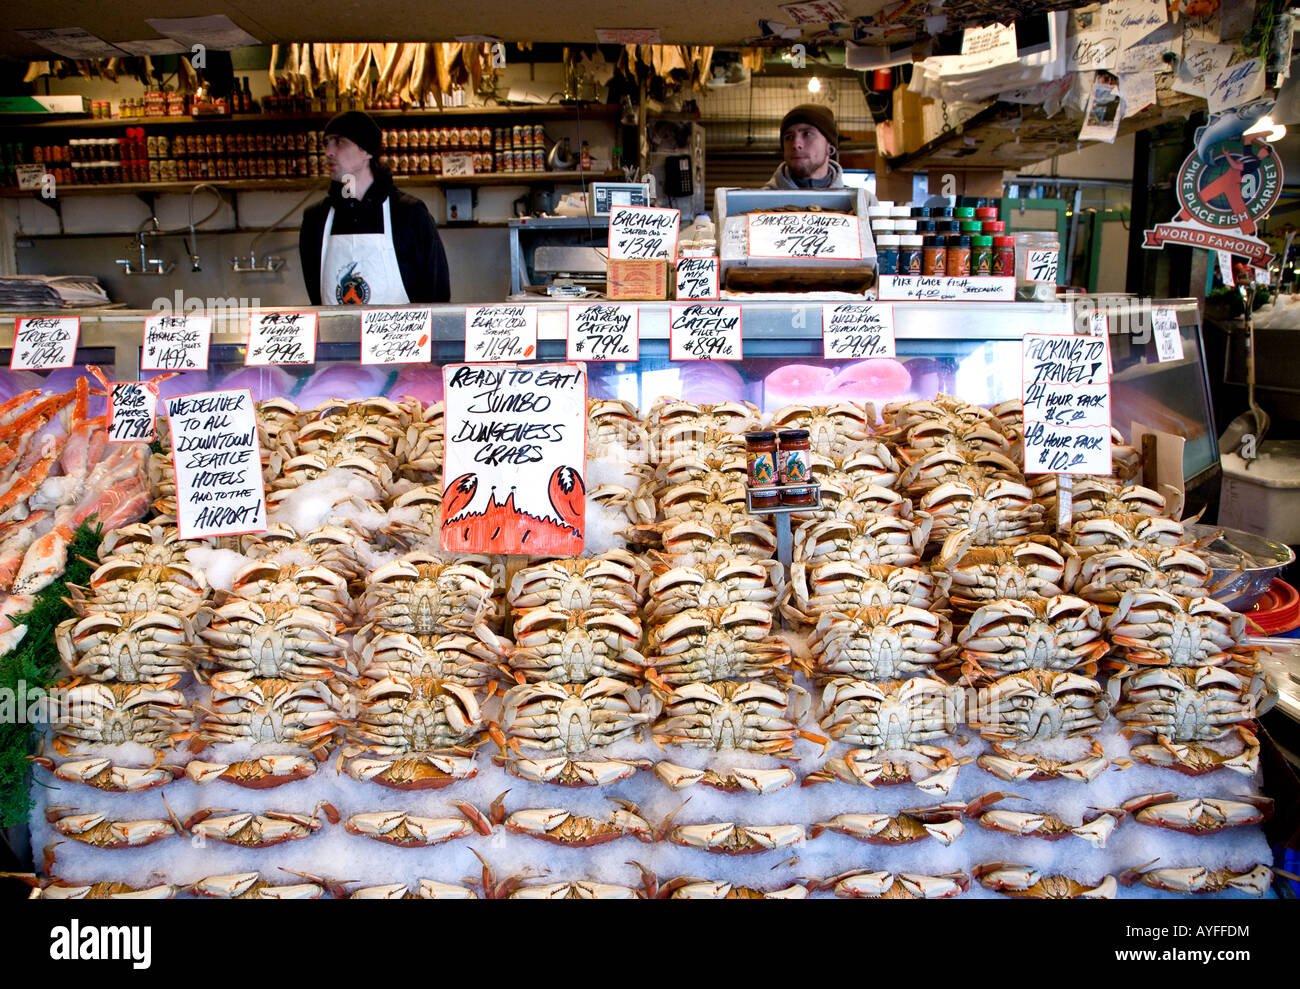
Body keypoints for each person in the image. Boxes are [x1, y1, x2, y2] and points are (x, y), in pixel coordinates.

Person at [300, 110, 451, 305]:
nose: (328, 151)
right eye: (326, 143)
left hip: (401, 335)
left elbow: (437, 297)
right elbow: (317, 296)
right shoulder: (315, 219)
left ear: (367, 151)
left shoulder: (409, 214)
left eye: (338, 141)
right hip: (337, 335)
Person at [765, 104, 876, 204]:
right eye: (788, 137)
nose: (796, 144)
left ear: (830, 147)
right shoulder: (759, 203)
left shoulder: (862, 203)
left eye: (807, 134)